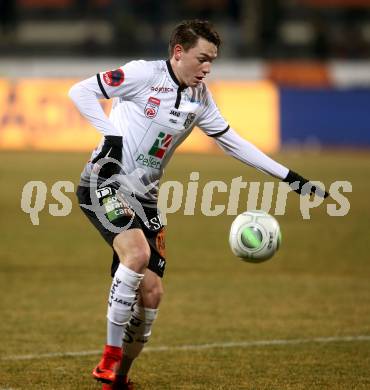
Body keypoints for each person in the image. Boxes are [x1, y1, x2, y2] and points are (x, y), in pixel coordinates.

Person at [69, 19, 328, 390]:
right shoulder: (143, 74)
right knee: (137, 255)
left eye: (212, 62)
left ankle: (119, 378)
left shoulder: (199, 97)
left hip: (146, 198)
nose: (207, 69)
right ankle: (108, 360)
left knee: (153, 294)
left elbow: (232, 141)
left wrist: (289, 177)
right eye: (202, 59)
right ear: (178, 53)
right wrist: (108, 134)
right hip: (104, 181)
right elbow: (79, 91)